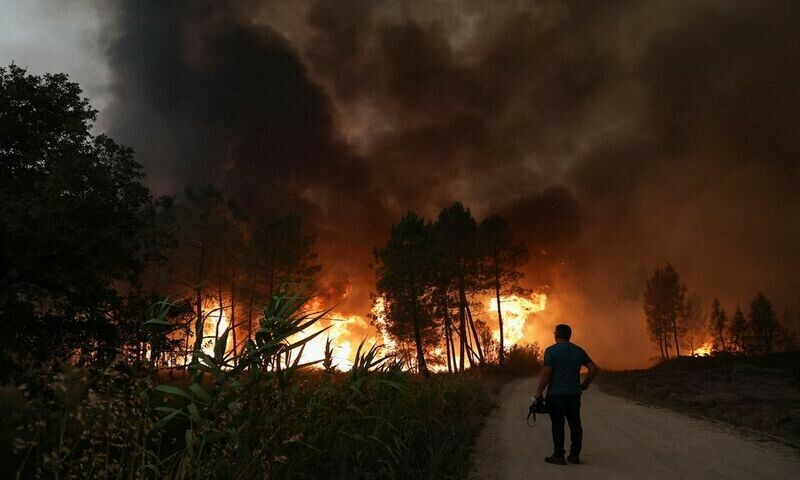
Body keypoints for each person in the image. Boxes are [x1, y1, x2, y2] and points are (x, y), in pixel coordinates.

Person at [535, 323, 598, 465]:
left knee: (558, 424)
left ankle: (559, 456)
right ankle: (574, 455)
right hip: (574, 395)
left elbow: (546, 374)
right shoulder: (578, 351)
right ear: (569, 335)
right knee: (575, 424)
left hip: (555, 395)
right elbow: (593, 369)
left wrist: (539, 392)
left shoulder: (551, 351)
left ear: (556, 335)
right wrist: (585, 384)